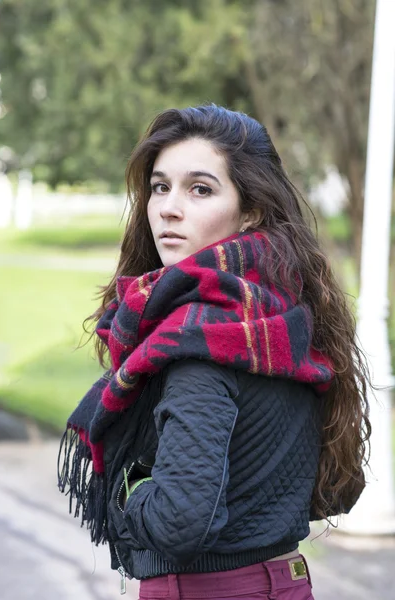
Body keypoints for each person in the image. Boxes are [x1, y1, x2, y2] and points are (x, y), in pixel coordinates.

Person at [58, 105, 371, 600]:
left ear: (251, 211)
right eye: (160, 187)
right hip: (283, 583)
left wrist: (130, 485)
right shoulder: (285, 314)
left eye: (200, 189)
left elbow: (177, 522)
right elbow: (336, 485)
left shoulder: (198, 340)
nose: (168, 207)